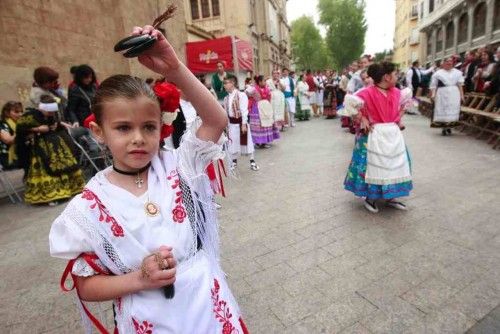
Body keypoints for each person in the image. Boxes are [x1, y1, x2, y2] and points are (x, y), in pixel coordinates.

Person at [49, 26, 249, 334]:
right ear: (99, 132)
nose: (138, 139)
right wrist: (139, 279)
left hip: (206, 308)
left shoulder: (178, 166)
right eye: (123, 128)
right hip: (148, 318)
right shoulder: (88, 206)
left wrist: (173, 68)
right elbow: (87, 286)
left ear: (162, 126)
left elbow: (216, 120)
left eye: (149, 127)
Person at [343, 62, 413, 213]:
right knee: (373, 166)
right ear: (386, 77)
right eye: (395, 74)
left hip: (392, 136)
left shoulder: (396, 92)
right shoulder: (367, 92)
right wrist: (362, 118)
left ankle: (391, 196)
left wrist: (397, 119)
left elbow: (405, 104)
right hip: (373, 135)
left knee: (393, 165)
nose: (397, 77)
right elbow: (349, 103)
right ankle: (371, 197)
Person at [16, 95, 84, 205]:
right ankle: (53, 195)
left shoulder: (51, 115)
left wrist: (56, 126)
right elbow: (21, 129)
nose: (52, 114)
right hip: (40, 149)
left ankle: (70, 189)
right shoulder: (30, 116)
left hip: (56, 146)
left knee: (66, 165)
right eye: (49, 112)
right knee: (46, 169)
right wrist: (38, 129)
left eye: (53, 112)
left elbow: (56, 123)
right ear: (42, 108)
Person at [223, 75, 259, 171]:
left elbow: (244, 110)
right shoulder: (226, 98)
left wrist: (244, 123)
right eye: (224, 83)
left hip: (240, 123)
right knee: (233, 143)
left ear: (233, 83)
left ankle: (252, 161)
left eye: (227, 83)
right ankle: (234, 162)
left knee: (247, 142)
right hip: (231, 124)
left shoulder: (241, 95)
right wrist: (226, 125)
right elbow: (227, 112)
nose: (225, 85)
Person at [430, 57, 465, 136]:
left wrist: (462, 95)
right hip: (442, 93)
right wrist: (433, 94)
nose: (449, 63)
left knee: (452, 108)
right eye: (447, 61)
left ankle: (449, 126)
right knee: (443, 109)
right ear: (443, 63)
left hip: (454, 93)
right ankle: (444, 127)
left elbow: (460, 85)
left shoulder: (458, 73)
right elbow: (433, 86)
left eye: (450, 61)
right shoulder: (438, 73)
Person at [246, 75, 279, 147]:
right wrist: (251, 97)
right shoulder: (254, 89)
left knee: (266, 124)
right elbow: (246, 93)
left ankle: (264, 142)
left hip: (266, 108)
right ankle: (258, 142)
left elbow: (269, 97)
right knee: (259, 125)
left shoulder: (267, 89)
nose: (265, 82)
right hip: (257, 109)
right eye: (264, 81)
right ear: (259, 82)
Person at [0, 101, 23, 169]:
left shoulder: (19, 124)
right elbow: (8, 140)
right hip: (5, 159)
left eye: (21, 111)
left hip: (19, 157)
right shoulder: (2, 124)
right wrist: (22, 130)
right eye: (16, 112)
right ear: (7, 113)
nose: (20, 114)